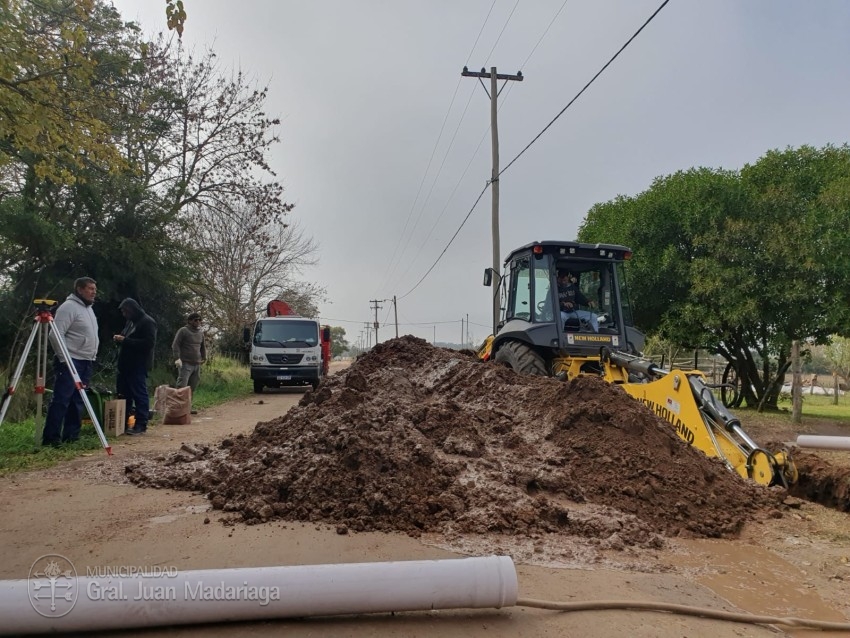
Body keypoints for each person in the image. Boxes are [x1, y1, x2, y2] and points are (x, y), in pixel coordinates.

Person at [42, 277, 99, 447]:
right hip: (70, 360)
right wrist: (64, 358)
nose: (94, 292)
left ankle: (71, 436)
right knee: (61, 399)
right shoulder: (69, 307)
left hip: (86, 360)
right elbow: (55, 334)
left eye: (94, 289)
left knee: (77, 400)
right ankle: (51, 439)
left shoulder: (89, 309)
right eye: (90, 288)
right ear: (80, 289)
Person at [113, 298, 157, 435]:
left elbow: (148, 344)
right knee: (123, 394)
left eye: (125, 311)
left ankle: (141, 424)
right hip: (125, 365)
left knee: (139, 395)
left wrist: (125, 340)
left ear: (132, 309)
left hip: (138, 364)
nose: (124, 314)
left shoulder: (147, 322)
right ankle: (123, 423)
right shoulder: (130, 322)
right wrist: (121, 339)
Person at [172, 312, 206, 411]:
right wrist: (177, 358)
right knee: (182, 386)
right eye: (196, 320)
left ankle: (187, 407)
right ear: (190, 321)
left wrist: (204, 357)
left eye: (200, 320)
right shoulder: (183, 331)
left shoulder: (200, 333)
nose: (198, 322)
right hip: (185, 363)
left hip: (197, 364)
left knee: (192, 387)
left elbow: (202, 346)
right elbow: (175, 345)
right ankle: (178, 407)